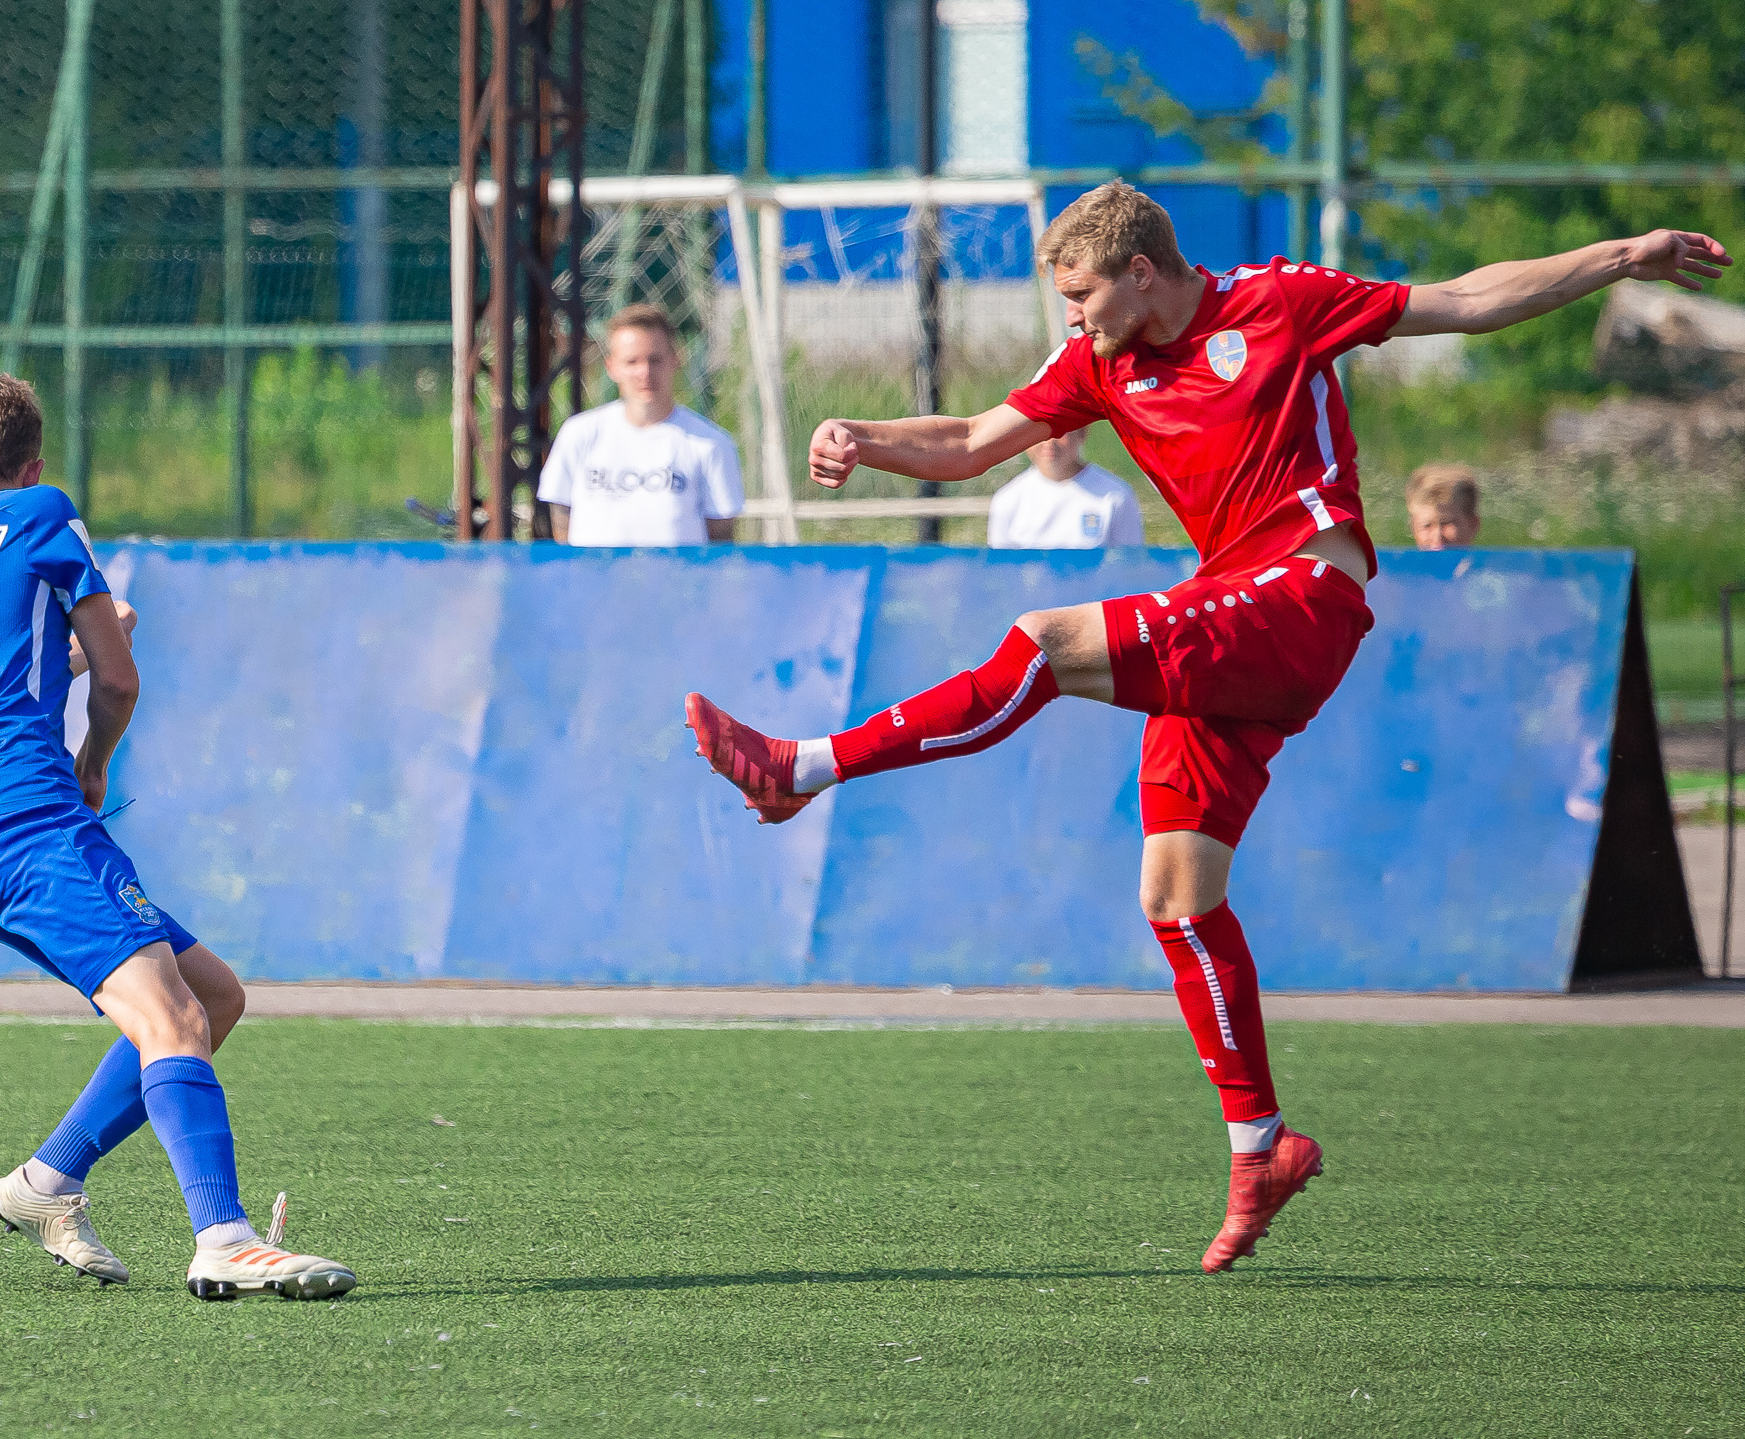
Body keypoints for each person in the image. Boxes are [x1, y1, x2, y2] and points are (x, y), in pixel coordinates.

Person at [684, 183, 1729, 1272]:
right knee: (1177, 896)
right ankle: (1260, 1145)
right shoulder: (1100, 361)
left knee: (1042, 642)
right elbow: (968, 440)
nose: (1073, 318)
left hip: (1302, 599)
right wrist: (866, 437)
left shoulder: (1281, 302)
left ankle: (797, 765)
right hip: (1231, 617)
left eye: (1083, 294)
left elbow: (1463, 298)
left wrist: (1625, 254)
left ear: (1142, 271)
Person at [0, 372, 355, 1300]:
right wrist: (95, 761)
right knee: (169, 1018)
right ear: (33, 466)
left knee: (212, 997)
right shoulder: (42, 511)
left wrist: (64, 654)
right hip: (32, 819)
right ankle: (222, 1238)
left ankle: (46, 1182)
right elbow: (120, 680)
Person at [539, 302, 744, 546]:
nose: (644, 373)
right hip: (594, 583)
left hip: (676, 583)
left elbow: (720, 540)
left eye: (655, 360)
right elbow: (561, 515)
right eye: (632, 362)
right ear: (612, 367)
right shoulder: (579, 433)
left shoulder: (711, 444)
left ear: (675, 360)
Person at [985, 425, 1146, 549]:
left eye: (1060, 431)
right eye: (1038, 432)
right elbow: (1003, 574)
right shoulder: (1007, 499)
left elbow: (1130, 567)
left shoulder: (1116, 496)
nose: (1049, 442)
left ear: (1082, 434)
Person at [1405, 462, 1482, 549]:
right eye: (1427, 525)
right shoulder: (1397, 562)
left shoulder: (1493, 562)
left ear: (1473, 524)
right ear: (1413, 527)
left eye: (1447, 523)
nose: (1438, 536)